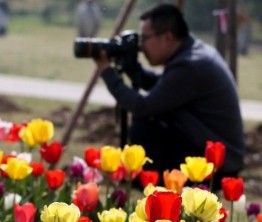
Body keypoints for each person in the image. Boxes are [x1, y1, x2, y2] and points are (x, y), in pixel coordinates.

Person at [94, 3, 245, 185]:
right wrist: (133, 68)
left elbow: (142, 106)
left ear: (167, 37)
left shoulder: (190, 65)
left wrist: (106, 71)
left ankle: (155, 192)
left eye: (145, 38)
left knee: (145, 128)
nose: (141, 47)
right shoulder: (194, 53)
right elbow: (164, 87)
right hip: (218, 154)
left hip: (218, 165)